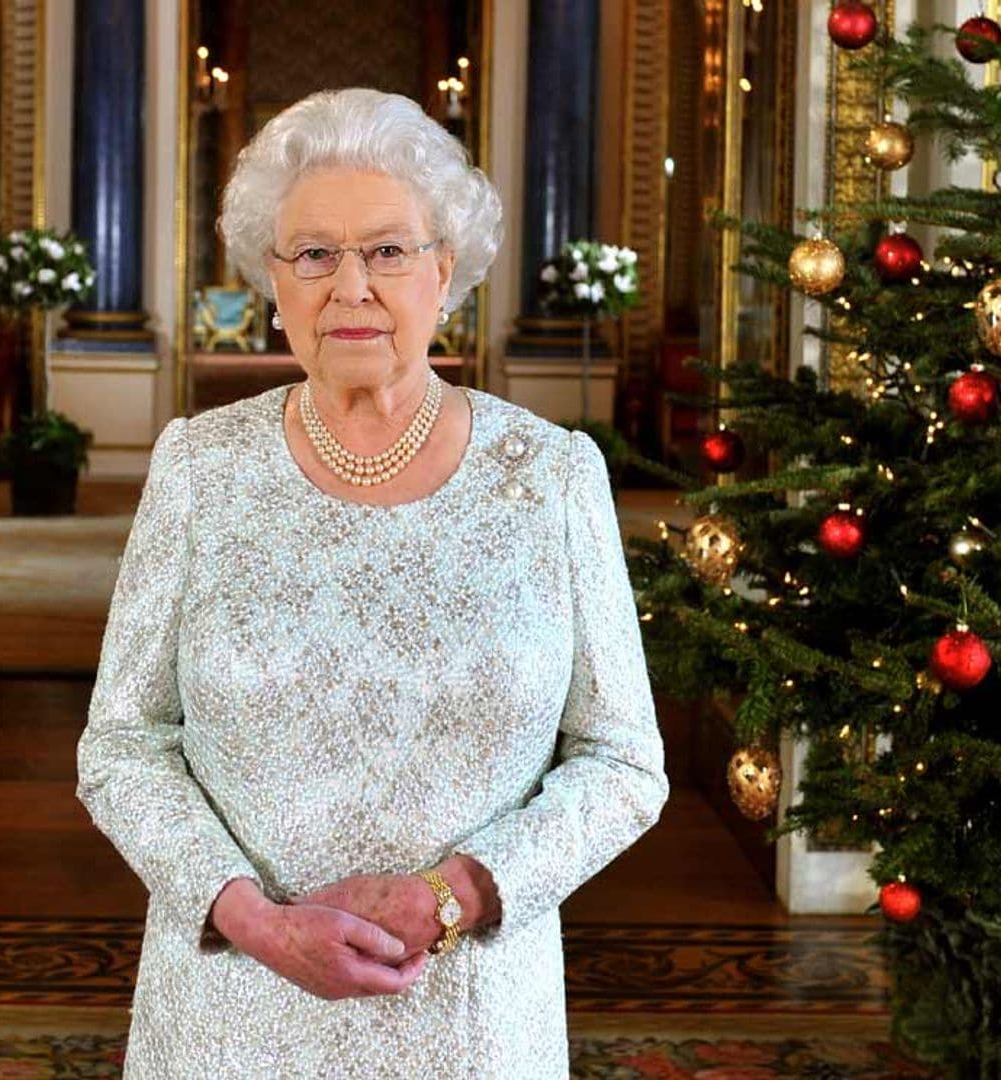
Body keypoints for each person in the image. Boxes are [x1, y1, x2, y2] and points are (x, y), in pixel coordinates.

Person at [76, 86, 669, 1078]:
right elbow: (122, 745)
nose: (351, 286)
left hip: (472, 1022)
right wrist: (248, 916)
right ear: (274, 281)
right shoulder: (199, 468)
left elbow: (623, 764)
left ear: (448, 272)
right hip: (233, 1015)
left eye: (388, 250)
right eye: (314, 254)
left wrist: (459, 895)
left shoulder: (553, 475)